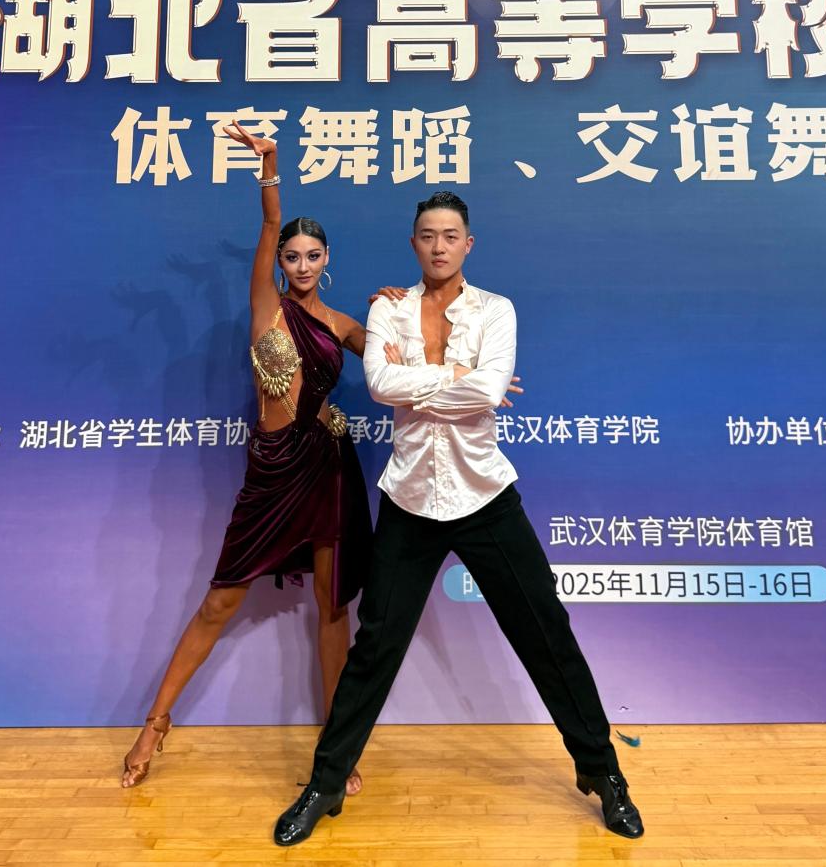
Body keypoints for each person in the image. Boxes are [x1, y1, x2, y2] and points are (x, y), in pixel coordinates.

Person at [274, 190, 644, 843]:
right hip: (410, 497)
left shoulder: (496, 309)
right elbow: (383, 386)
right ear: (413, 243)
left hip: (484, 494)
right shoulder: (387, 308)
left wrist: (438, 382)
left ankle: (603, 771)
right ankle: (326, 783)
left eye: (450, 235)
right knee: (375, 646)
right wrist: (459, 377)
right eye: (427, 235)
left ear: (467, 244)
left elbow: (487, 387)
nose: (439, 245)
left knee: (547, 634)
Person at [121, 121, 374, 794]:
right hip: (274, 469)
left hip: (329, 469)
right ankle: (155, 723)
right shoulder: (268, 307)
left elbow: (396, 362)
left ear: (327, 259)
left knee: (331, 608)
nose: (301, 264)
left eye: (311, 255)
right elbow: (266, 225)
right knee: (219, 601)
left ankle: (336, 743)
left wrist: (414, 318)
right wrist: (270, 164)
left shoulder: (344, 324)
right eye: (292, 255)